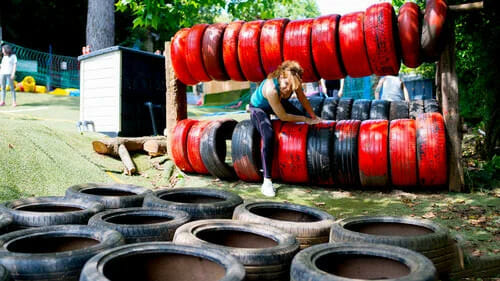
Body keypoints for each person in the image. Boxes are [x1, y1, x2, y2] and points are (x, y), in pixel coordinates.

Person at [249, 60, 321, 197]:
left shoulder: (294, 81)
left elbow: (303, 99)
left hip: (277, 102)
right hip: (258, 108)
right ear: (281, 76)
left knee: (301, 117)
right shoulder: (271, 89)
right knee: (269, 135)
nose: (289, 89)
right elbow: (283, 116)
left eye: (292, 88)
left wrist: (313, 117)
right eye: (287, 85)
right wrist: (305, 119)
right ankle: (267, 181)